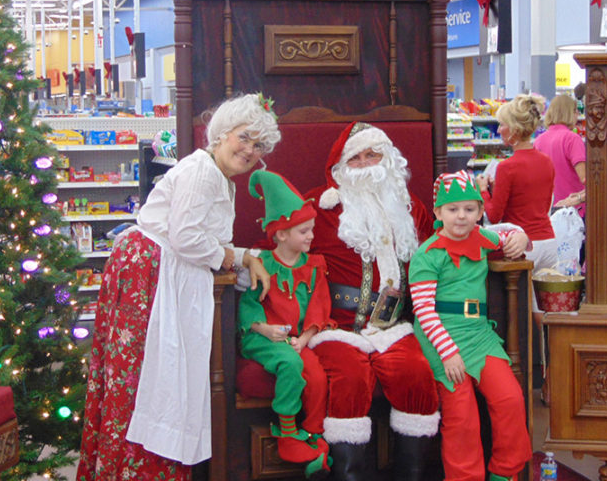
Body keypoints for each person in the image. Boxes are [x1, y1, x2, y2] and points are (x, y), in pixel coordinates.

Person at [303, 122, 528, 481]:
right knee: (349, 376)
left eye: (372, 154)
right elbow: (282, 248)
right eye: (355, 158)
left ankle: (413, 474)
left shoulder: (412, 208)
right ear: (340, 169)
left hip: (395, 326)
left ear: (388, 158)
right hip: (339, 326)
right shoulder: (320, 206)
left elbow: (458, 233)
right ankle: (349, 476)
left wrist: (515, 234)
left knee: (417, 373)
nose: (365, 164)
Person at [76, 93, 280, 481]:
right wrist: (234, 258)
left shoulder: (216, 176)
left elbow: (196, 237)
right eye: (245, 138)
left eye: (259, 145)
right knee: (143, 383)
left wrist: (243, 255)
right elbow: (187, 238)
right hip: (150, 278)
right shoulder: (201, 171)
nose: (251, 150)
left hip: (158, 275)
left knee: (145, 382)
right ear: (221, 134)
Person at [409, 171, 532, 481]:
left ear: (479, 213)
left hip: (478, 333)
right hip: (442, 334)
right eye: (452, 209)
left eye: (469, 209)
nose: (461, 217)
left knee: (510, 398)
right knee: (461, 413)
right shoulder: (426, 255)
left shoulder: (483, 238)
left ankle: (505, 472)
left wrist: (522, 237)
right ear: (438, 213)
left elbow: (510, 237)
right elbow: (423, 310)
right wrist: (448, 353)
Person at [239, 169, 335, 479]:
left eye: (311, 230)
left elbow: (320, 305)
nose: (311, 236)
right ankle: (286, 430)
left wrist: (305, 338)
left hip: (296, 338)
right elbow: (249, 305)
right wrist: (263, 328)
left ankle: (312, 433)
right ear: (281, 234)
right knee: (290, 364)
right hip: (262, 337)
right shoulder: (263, 264)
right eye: (304, 231)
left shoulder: (315, 265)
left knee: (317, 377)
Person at [477, 94, 556, 271]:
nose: (498, 130)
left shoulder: (507, 167)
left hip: (523, 244)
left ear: (514, 130)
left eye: (502, 125)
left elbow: (495, 216)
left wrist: (484, 191)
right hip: (549, 241)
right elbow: (541, 205)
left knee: (521, 298)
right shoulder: (547, 161)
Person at [534, 93, 586, 217]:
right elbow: (584, 178)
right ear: (569, 113)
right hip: (573, 209)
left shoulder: (539, 140)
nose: (577, 115)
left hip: (549, 209)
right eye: (575, 111)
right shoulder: (572, 139)